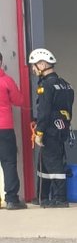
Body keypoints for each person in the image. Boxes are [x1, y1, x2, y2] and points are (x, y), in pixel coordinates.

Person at [28, 48, 73, 208]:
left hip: (49, 130)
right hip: (61, 129)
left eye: (34, 65)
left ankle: (60, 199)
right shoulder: (65, 85)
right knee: (45, 164)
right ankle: (43, 197)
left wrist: (39, 132)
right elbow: (66, 109)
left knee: (54, 165)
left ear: (42, 63)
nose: (33, 69)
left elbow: (45, 111)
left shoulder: (46, 85)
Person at [0, 59, 26, 210]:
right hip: (4, 128)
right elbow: (19, 100)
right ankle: (11, 200)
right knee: (9, 163)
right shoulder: (6, 81)